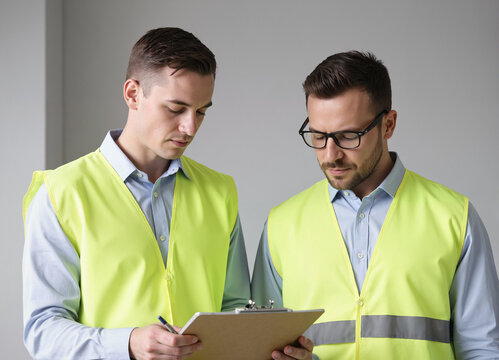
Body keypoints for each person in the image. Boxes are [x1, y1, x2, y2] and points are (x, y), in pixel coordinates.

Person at [22, 27, 253, 360]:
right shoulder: (61, 193)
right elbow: (43, 330)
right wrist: (127, 343)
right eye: (176, 109)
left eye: (201, 111)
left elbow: (234, 310)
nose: (190, 127)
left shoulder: (220, 192)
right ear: (133, 94)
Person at [251, 51, 499, 359]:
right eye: (318, 135)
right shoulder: (282, 224)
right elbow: (261, 347)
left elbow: (483, 348)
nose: (330, 154)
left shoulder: (454, 217)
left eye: (348, 136)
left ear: (388, 125)